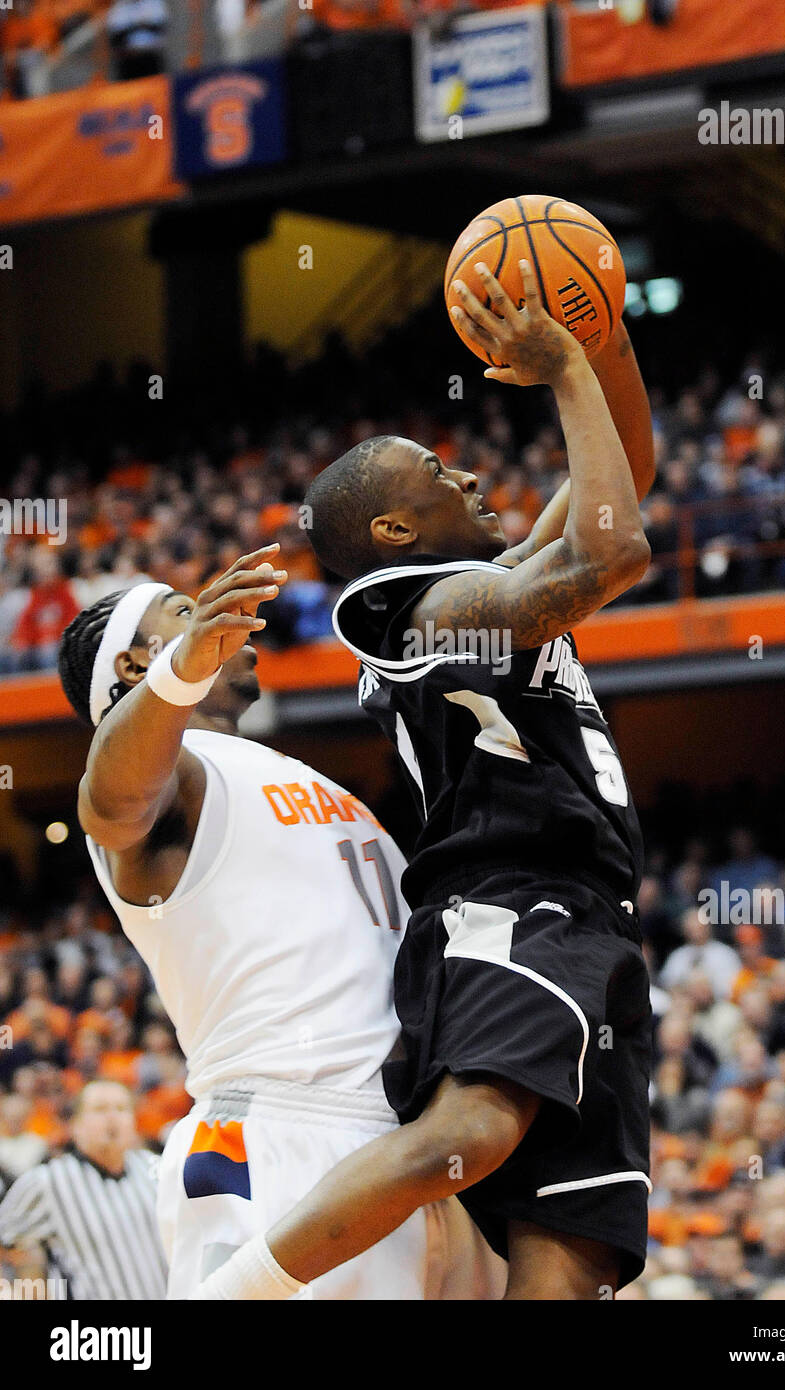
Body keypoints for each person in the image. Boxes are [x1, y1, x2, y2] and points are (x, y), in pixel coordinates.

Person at [196, 259, 656, 1301]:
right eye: (438, 475)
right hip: (508, 902)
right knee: (472, 1129)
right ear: (393, 533)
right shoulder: (424, 611)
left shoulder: (482, 587)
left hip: (591, 922)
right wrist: (566, 370)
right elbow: (614, 550)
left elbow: (624, 469)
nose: (471, 478)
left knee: (566, 1269)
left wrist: (600, 338)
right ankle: (235, 1294)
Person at [57, 549, 499, 1299]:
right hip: (285, 1129)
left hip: (417, 1143)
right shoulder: (160, 783)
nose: (232, 626)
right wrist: (185, 667)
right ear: (136, 665)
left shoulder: (284, 770)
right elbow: (112, 802)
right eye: (185, 614)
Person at [0, 1080, 166, 1299]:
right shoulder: (46, 1182)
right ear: (75, 1125)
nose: (112, 1117)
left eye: (121, 1109)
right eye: (99, 1109)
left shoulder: (156, 1167)